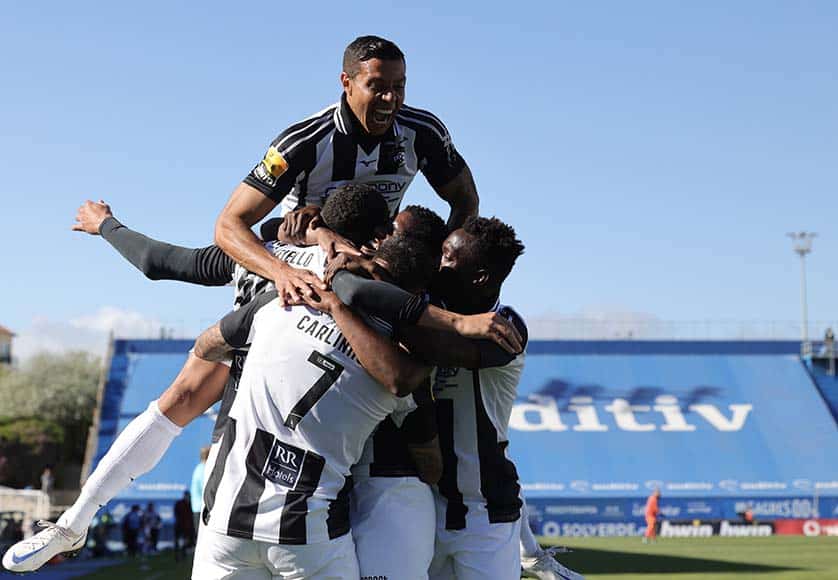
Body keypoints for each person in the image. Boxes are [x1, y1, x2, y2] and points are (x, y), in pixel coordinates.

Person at [192, 232, 436, 578]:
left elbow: (205, 346)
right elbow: (430, 461)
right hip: (308, 531)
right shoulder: (399, 368)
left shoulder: (282, 302)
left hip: (226, 519)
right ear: (415, 296)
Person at [214, 35, 480, 306]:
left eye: (399, 87)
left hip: (373, 272)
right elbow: (228, 225)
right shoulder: (304, 143)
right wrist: (283, 273)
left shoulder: (424, 133)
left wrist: (438, 275)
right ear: (346, 83)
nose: (390, 98)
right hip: (307, 270)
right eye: (376, 86)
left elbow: (465, 200)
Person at [190, 446, 210, 532]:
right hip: (202, 510)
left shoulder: (198, 468)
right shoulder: (204, 469)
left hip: (197, 509)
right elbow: (206, 490)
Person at [174, 491, 194, 561]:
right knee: (179, 541)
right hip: (180, 526)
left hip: (186, 527)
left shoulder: (190, 504)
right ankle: (177, 555)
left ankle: (183, 554)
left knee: (186, 541)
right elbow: (177, 514)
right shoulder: (180, 504)